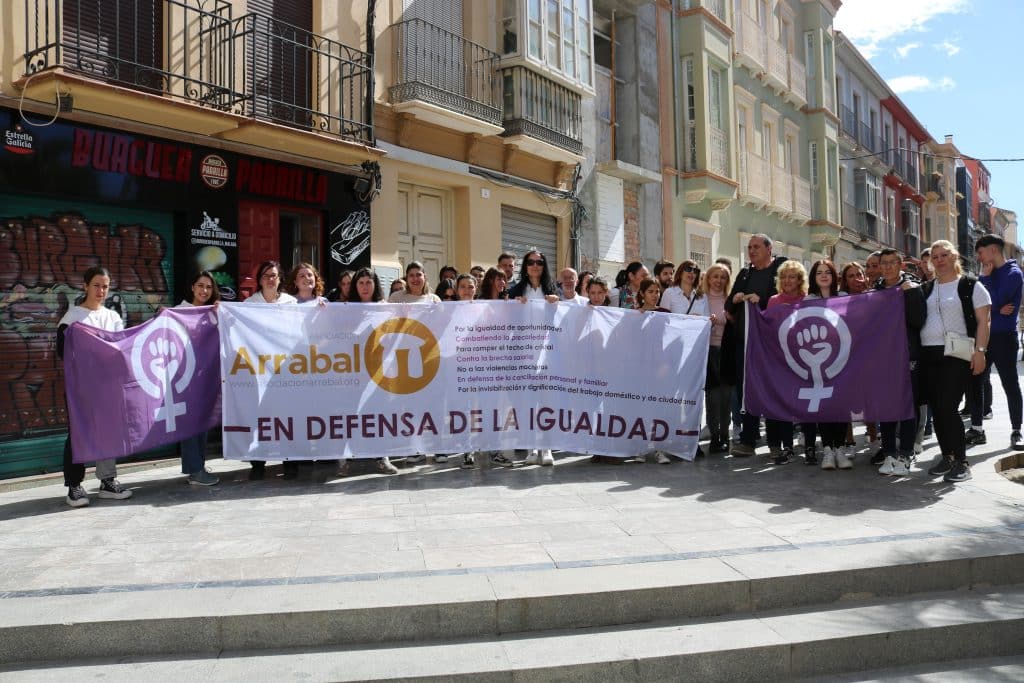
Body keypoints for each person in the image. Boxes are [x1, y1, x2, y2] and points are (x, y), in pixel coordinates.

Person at [58, 266, 134, 507]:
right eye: (96, 285)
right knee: (78, 432)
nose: (101, 291)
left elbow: (122, 348)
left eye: (105, 286)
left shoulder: (113, 317)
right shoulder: (72, 318)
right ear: (85, 286)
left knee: (109, 431)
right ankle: (74, 486)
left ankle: (107, 481)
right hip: (81, 388)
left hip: (108, 387)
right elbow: (62, 351)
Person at [920, 240, 991, 483]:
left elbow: (984, 322)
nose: (939, 260)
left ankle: (962, 462)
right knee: (938, 410)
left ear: (954, 256)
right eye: (935, 256)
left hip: (957, 355)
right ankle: (948, 456)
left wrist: (980, 351)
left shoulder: (970, 285)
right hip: (929, 354)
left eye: (944, 255)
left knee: (948, 408)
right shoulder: (926, 288)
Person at [725, 234, 787, 457]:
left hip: (771, 344)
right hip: (745, 344)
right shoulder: (745, 273)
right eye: (749, 247)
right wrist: (735, 299)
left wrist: (760, 301)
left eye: (756, 247)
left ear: (769, 249)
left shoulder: (781, 270)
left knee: (771, 389)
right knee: (746, 391)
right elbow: (728, 306)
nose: (751, 251)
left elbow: (786, 299)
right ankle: (748, 441)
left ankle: (775, 443)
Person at [340, 267, 400, 477]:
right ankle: (346, 459)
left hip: (380, 372)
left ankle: (382, 457)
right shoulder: (345, 309)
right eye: (361, 282)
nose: (365, 287)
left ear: (375, 285)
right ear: (355, 286)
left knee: (379, 413)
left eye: (369, 282)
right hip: (353, 371)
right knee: (351, 414)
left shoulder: (386, 309)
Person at [872, 249, 926, 477]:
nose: (887, 267)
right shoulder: (875, 291)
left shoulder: (912, 288)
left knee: (907, 406)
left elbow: (919, 320)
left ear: (900, 264)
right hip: (883, 359)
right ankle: (889, 454)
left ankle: (905, 454)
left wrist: (908, 295)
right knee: (886, 407)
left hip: (908, 356)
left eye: (891, 262)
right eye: (883, 263)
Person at [970, 234, 1024, 450]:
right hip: (983, 336)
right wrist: (995, 308)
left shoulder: (1013, 273)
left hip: (1004, 338)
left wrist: (985, 279)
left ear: (993, 250)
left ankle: (1017, 431)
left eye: (981, 253)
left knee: (1010, 384)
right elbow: (978, 303)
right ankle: (976, 429)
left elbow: (994, 299)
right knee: (976, 381)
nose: (979, 257)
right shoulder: (986, 274)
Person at [245, 260, 297, 480]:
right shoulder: (249, 304)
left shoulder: (291, 302)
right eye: (265, 275)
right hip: (258, 368)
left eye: (273, 275)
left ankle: (290, 461)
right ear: (259, 280)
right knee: (260, 416)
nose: (270, 279)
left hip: (286, 368)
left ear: (279, 278)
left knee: (287, 415)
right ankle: (258, 463)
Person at [508, 250, 559, 466]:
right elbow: (505, 319)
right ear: (525, 266)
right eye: (531, 262)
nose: (535, 266)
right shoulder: (515, 290)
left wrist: (557, 303)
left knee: (546, 400)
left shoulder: (553, 290)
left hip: (547, 353)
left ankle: (546, 448)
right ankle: (531, 448)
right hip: (523, 354)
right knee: (527, 401)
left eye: (539, 262)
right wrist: (513, 305)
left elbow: (563, 319)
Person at [801, 260, 851, 469]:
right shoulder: (808, 301)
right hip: (819, 362)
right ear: (813, 277)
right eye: (819, 272)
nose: (823, 276)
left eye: (827, 272)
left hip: (842, 359)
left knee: (841, 405)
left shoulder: (844, 297)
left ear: (834, 276)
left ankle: (840, 448)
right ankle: (828, 450)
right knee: (824, 405)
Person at [175, 271, 221, 486]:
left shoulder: (213, 313)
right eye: (200, 285)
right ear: (192, 287)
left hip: (207, 377)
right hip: (185, 377)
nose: (204, 290)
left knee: (202, 422)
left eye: (209, 287)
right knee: (191, 424)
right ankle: (195, 470)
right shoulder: (179, 311)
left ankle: (198, 465)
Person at [763, 260, 807, 465]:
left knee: (798, 402)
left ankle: (801, 443)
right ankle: (778, 445)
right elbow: (767, 328)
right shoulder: (773, 301)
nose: (787, 281)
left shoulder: (808, 300)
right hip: (778, 359)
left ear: (800, 280)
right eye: (784, 277)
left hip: (802, 359)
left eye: (792, 277)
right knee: (777, 401)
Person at [703, 263, 733, 454]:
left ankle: (725, 435)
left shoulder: (731, 300)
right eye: (715, 276)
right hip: (708, 351)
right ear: (708, 278)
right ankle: (715, 437)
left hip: (728, 351)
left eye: (723, 277)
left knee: (727, 397)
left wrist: (730, 318)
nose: (718, 280)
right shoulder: (701, 299)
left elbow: (737, 323)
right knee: (713, 397)